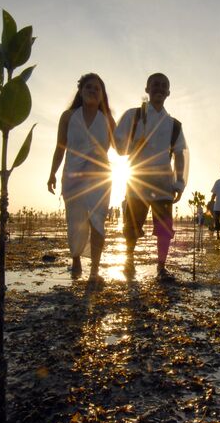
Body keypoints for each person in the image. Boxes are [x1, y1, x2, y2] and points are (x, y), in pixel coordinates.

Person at [114, 73, 188, 281]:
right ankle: (128, 260)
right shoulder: (134, 116)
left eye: (164, 86)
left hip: (164, 182)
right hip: (137, 179)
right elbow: (119, 145)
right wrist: (135, 145)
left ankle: (161, 267)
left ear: (168, 93)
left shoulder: (174, 125)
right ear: (147, 89)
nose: (159, 88)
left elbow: (180, 154)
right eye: (155, 84)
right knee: (132, 223)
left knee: (164, 228)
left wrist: (179, 183)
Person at [47, 73, 115, 283]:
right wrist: (52, 173)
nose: (93, 90)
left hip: (100, 178)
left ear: (102, 94)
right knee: (75, 221)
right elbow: (60, 147)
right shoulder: (68, 117)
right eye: (89, 86)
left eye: (97, 88)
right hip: (73, 176)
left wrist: (140, 140)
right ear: (81, 90)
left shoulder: (108, 120)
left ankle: (94, 270)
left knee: (97, 222)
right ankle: (76, 259)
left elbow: (121, 149)